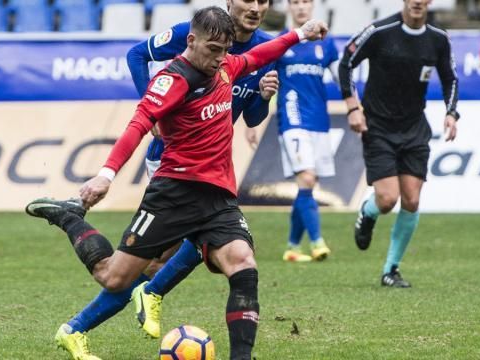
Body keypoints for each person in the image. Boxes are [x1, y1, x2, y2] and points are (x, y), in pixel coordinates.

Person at [26, 7, 328, 360]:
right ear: (191, 40)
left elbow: (259, 54)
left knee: (242, 263)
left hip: (218, 199)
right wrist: (106, 175)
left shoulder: (228, 65)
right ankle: (70, 219)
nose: (219, 58)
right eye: (213, 49)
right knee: (114, 278)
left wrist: (300, 34)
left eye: (224, 50)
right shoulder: (173, 80)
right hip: (173, 194)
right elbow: (138, 124)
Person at [339, 0, 459, 288]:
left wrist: (452, 113)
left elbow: (450, 79)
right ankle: (367, 214)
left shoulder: (438, 39)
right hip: (378, 127)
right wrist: (353, 107)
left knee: (412, 200)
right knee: (387, 199)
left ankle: (390, 270)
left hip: (414, 128)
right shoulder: (380, 31)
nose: (417, 2)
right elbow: (346, 62)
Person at [276, 0, 338, 262]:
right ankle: (317, 242)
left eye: (305, 2)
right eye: (295, 2)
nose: (301, 7)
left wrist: (355, 103)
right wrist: (252, 125)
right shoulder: (280, 42)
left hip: (319, 122)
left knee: (307, 187)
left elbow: (341, 77)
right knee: (308, 179)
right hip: (292, 120)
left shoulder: (327, 42)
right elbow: (263, 80)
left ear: (312, 6)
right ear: (289, 7)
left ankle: (292, 247)